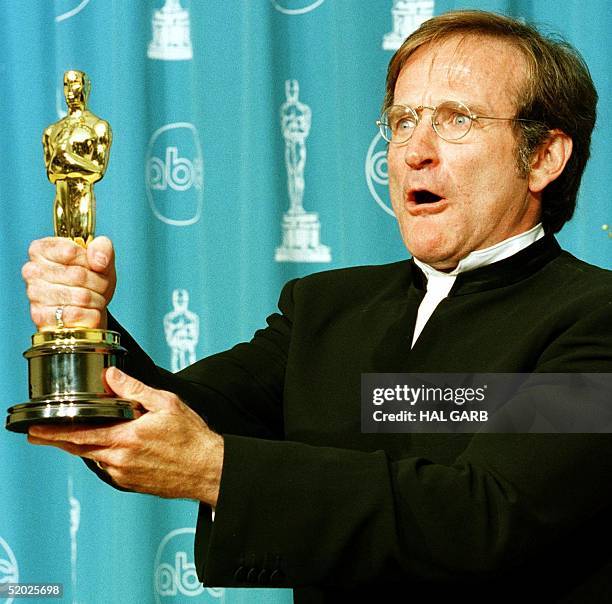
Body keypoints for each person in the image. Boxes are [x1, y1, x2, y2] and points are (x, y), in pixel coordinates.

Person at [23, 10, 612, 603]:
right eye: (402, 122)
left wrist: (216, 470)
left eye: (456, 119)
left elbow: (484, 515)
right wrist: (85, 325)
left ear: (543, 158)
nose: (414, 152)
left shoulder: (597, 317)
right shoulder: (326, 308)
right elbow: (182, 419)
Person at [42, 70, 112, 247]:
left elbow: (98, 169)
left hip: (83, 196)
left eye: (76, 84)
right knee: (62, 249)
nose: (71, 91)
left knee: (81, 246)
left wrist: (66, 159)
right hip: (61, 197)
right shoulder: (52, 131)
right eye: (67, 85)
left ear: (86, 88)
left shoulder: (97, 126)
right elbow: (51, 173)